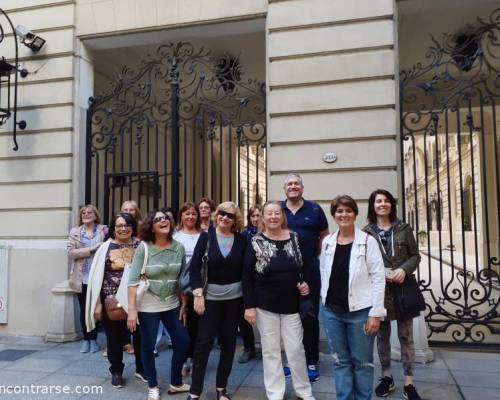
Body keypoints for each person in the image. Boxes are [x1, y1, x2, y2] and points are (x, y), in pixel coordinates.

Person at [243, 201, 315, 400]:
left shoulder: (294, 238)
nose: (273, 217)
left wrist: (306, 283)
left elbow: (307, 265)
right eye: (269, 214)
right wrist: (248, 306)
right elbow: (246, 276)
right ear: (263, 218)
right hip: (265, 305)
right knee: (271, 350)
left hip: (292, 304)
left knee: (296, 350)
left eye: (277, 213)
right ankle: (275, 393)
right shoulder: (255, 241)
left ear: (282, 216)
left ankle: (304, 391)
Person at [319, 195, 386, 400]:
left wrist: (375, 313)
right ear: (334, 215)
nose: (344, 214)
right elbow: (324, 273)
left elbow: (378, 278)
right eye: (339, 211)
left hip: (361, 313)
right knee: (340, 361)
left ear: (355, 214)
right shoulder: (328, 242)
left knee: (362, 363)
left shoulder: (368, 241)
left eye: (348, 210)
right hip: (331, 311)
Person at [363, 189, 422, 400]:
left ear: (391, 205)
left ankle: (409, 383)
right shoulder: (366, 232)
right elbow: (362, 261)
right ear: (373, 205)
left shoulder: (404, 228)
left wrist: (403, 270)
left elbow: (415, 256)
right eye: (378, 201)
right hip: (380, 292)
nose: (382, 204)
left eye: (386, 200)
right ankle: (386, 377)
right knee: (382, 336)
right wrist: (379, 274)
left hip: (403, 289)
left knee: (406, 336)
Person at [127, 209, 191, 400]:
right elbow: (132, 282)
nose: (164, 221)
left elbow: (181, 279)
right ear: (151, 227)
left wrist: (184, 304)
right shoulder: (144, 248)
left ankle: (176, 382)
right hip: (148, 305)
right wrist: (132, 311)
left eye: (166, 218)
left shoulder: (178, 248)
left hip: (171, 303)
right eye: (158, 219)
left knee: (183, 341)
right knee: (147, 345)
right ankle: (153, 385)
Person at [187, 201, 247, 400]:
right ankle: (195, 391)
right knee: (203, 343)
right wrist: (198, 295)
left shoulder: (241, 240)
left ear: (235, 220)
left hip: (234, 301)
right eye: (222, 213)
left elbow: (246, 272)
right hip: (209, 299)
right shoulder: (206, 237)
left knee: (228, 344)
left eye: (230, 215)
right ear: (216, 215)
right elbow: (194, 269)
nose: (225, 218)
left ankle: (222, 389)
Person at [85, 213, 144, 388]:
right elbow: (97, 277)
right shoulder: (105, 247)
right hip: (111, 300)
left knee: (141, 336)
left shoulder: (141, 246)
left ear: (133, 227)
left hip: (138, 299)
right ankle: (116, 371)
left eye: (127, 225)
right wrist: (97, 304)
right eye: (119, 225)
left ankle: (142, 369)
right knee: (114, 338)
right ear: (113, 228)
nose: (123, 228)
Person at [281, 173, 329, 382]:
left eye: (296, 184)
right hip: (283, 272)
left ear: (302, 187)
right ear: (285, 189)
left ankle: (311, 361)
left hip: (310, 270)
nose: (293, 187)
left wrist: (313, 257)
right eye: (289, 184)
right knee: (287, 318)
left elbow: (324, 237)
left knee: (309, 317)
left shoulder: (315, 209)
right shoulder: (277, 210)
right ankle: (291, 361)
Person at [68, 205, 107, 353]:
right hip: (81, 276)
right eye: (83, 213)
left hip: (99, 276)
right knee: (84, 309)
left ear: (95, 216)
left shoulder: (104, 230)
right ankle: (87, 339)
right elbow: (71, 253)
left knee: (96, 309)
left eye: (89, 212)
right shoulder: (75, 232)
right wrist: (91, 249)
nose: (86, 214)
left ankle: (94, 339)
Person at [173, 202, 202, 376]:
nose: (190, 216)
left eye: (193, 213)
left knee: (196, 325)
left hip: (199, 288)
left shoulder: (204, 236)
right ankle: (184, 358)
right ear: (181, 216)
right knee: (182, 324)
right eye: (187, 214)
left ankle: (194, 358)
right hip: (180, 288)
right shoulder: (176, 237)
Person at [238, 204, 262, 363]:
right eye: (253, 216)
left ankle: (268, 346)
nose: (255, 219)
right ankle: (249, 347)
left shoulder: (268, 234)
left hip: (263, 279)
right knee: (244, 315)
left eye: (258, 215)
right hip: (246, 278)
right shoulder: (244, 235)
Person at [120, 200, 143, 355]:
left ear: (137, 212)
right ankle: (124, 342)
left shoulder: (142, 228)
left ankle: (136, 342)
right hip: (119, 272)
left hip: (136, 274)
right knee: (120, 310)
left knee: (135, 309)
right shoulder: (119, 225)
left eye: (132, 209)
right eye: (125, 209)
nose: (128, 212)